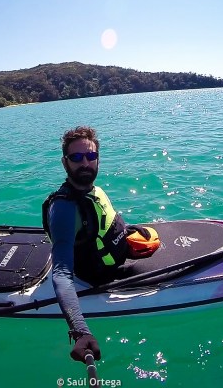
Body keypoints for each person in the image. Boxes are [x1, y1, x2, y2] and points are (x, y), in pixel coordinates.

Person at [41, 126, 158, 364]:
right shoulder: (64, 209)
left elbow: (102, 226)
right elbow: (62, 273)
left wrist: (127, 235)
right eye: (76, 157)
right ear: (65, 163)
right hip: (99, 276)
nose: (85, 163)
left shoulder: (94, 191)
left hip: (118, 257)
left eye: (90, 156)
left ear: (98, 160)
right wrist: (80, 330)